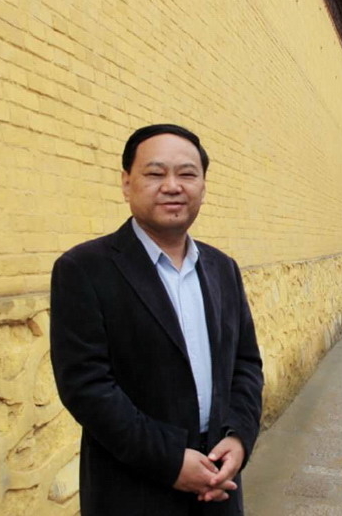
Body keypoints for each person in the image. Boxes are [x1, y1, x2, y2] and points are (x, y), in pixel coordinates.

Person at [50, 123, 264, 516]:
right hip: (133, 488)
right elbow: (86, 386)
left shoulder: (222, 268)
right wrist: (170, 460)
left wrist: (239, 438)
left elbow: (246, 365)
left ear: (203, 186)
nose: (172, 186)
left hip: (220, 481)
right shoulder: (84, 269)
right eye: (155, 173)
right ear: (126, 183)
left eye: (187, 174)